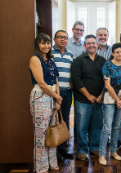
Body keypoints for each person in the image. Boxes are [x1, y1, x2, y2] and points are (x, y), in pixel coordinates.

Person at [29, 33, 62, 173]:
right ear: (38, 45)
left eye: (48, 43)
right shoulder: (35, 59)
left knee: (51, 132)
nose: (46, 46)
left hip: (52, 97)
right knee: (41, 134)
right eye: (43, 43)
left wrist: (57, 98)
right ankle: (41, 167)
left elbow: (56, 81)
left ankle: (52, 163)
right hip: (40, 97)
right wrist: (56, 96)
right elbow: (41, 83)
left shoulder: (50, 60)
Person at [71, 34, 106, 160]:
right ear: (85, 45)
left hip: (99, 100)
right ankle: (81, 150)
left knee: (97, 126)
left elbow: (106, 80)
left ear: (97, 45)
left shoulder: (103, 61)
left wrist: (101, 95)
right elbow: (77, 80)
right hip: (82, 100)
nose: (91, 45)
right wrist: (88, 95)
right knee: (81, 127)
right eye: (88, 43)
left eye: (93, 43)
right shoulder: (78, 60)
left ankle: (95, 148)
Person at [98, 43, 121, 165]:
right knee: (107, 127)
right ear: (112, 53)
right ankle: (102, 154)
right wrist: (118, 100)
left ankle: (113, 151)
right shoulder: (107, 65)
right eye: (117, 52)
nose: (120, 54)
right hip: (110, 100)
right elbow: (107, 85)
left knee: (117, 126)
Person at [52, 30, 74, 160]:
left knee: (64, 120)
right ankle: (52, 150)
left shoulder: (70, 55)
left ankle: (62, 149)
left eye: (65, 38)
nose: (63, 40)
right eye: (60, 37)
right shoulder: (50, 54)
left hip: (67, 91)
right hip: (53, 92)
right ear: (54, 39)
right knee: (53, 120)